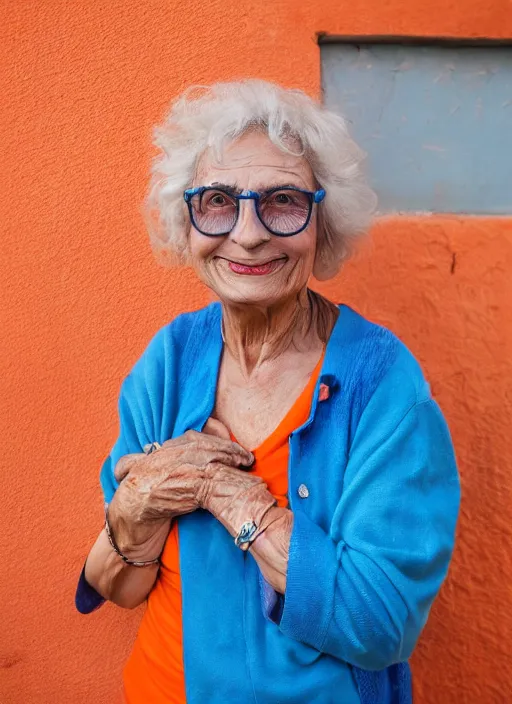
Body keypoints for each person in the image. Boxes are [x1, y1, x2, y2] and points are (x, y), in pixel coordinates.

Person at [76, 79, 460, 704]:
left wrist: (236, 500)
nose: (249, 234)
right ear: (188, 221)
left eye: (282, 201)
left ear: (322, 220)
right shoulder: (168, 362)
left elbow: (381, 626)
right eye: (217, 201)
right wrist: (139, 500)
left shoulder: (383, 386)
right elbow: (118, 587)